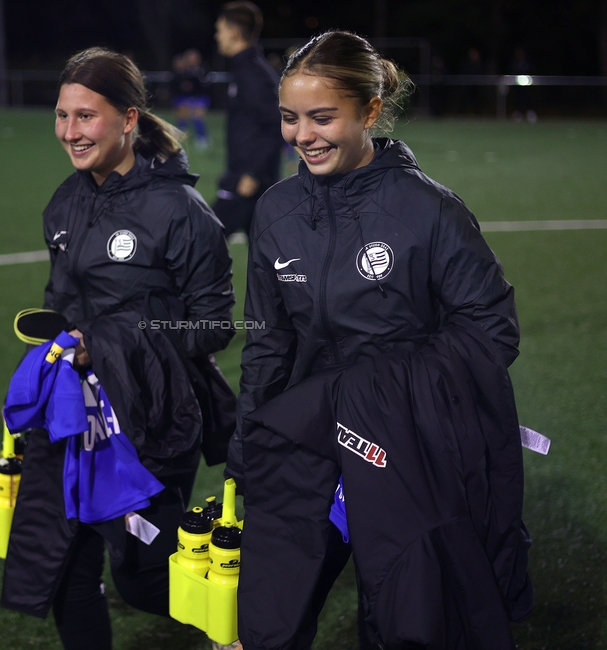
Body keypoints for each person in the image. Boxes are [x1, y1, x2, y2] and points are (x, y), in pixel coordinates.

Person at [227, 31, 533, 649]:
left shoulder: (429, 211)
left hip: (404, 447)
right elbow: (268, 340)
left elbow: (491, 329)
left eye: (322, 117)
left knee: (405, 620)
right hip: (306, 438)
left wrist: (381, 394)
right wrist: (248, 443)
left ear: (368, 112)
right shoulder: (276, 211)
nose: (302, 135)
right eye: (290, 119)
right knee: (266, 620)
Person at [0, 47, 236, 650]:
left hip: (155, 415)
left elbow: (213, 327)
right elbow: (64, 305)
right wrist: (56, 345)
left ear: (129, 120)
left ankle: (251, 616)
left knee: (143, 580)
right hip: (73, 418)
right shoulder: (63, 204)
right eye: (62, 116)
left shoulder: (181, 212)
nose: (70, 132)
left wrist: (111, 341)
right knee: (63, 571)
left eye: (86, 116)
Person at [213, 1, 282, 241]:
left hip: (248, 182)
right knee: (268, 257)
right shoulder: (244, 69)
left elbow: (275, 125)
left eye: (219, 30)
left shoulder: (253, 74)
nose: (217, 36)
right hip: (245, 178)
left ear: (233, 33)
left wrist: (253, 173)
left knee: (204, 240)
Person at [172, 48, 212, 148]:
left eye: (193, 58)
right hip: (185, 98)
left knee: (197, 114)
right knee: (182, 111)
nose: (191, 61)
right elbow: (177, 87)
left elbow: (205, 87)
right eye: (189, 59)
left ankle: (202, 137)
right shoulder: (182, 71)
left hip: (199, 97)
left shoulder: (202, 70)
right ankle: (181, 136)